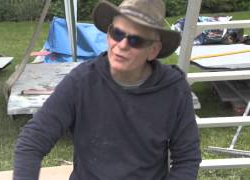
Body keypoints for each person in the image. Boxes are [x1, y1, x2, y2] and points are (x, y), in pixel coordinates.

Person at [13, 0, 202, 179]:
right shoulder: (81, 82)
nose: (121, 45)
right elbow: (31, 141)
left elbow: (187, 158)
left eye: (135, 40)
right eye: (117, 33)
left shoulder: (174, 88)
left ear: (153, 50)